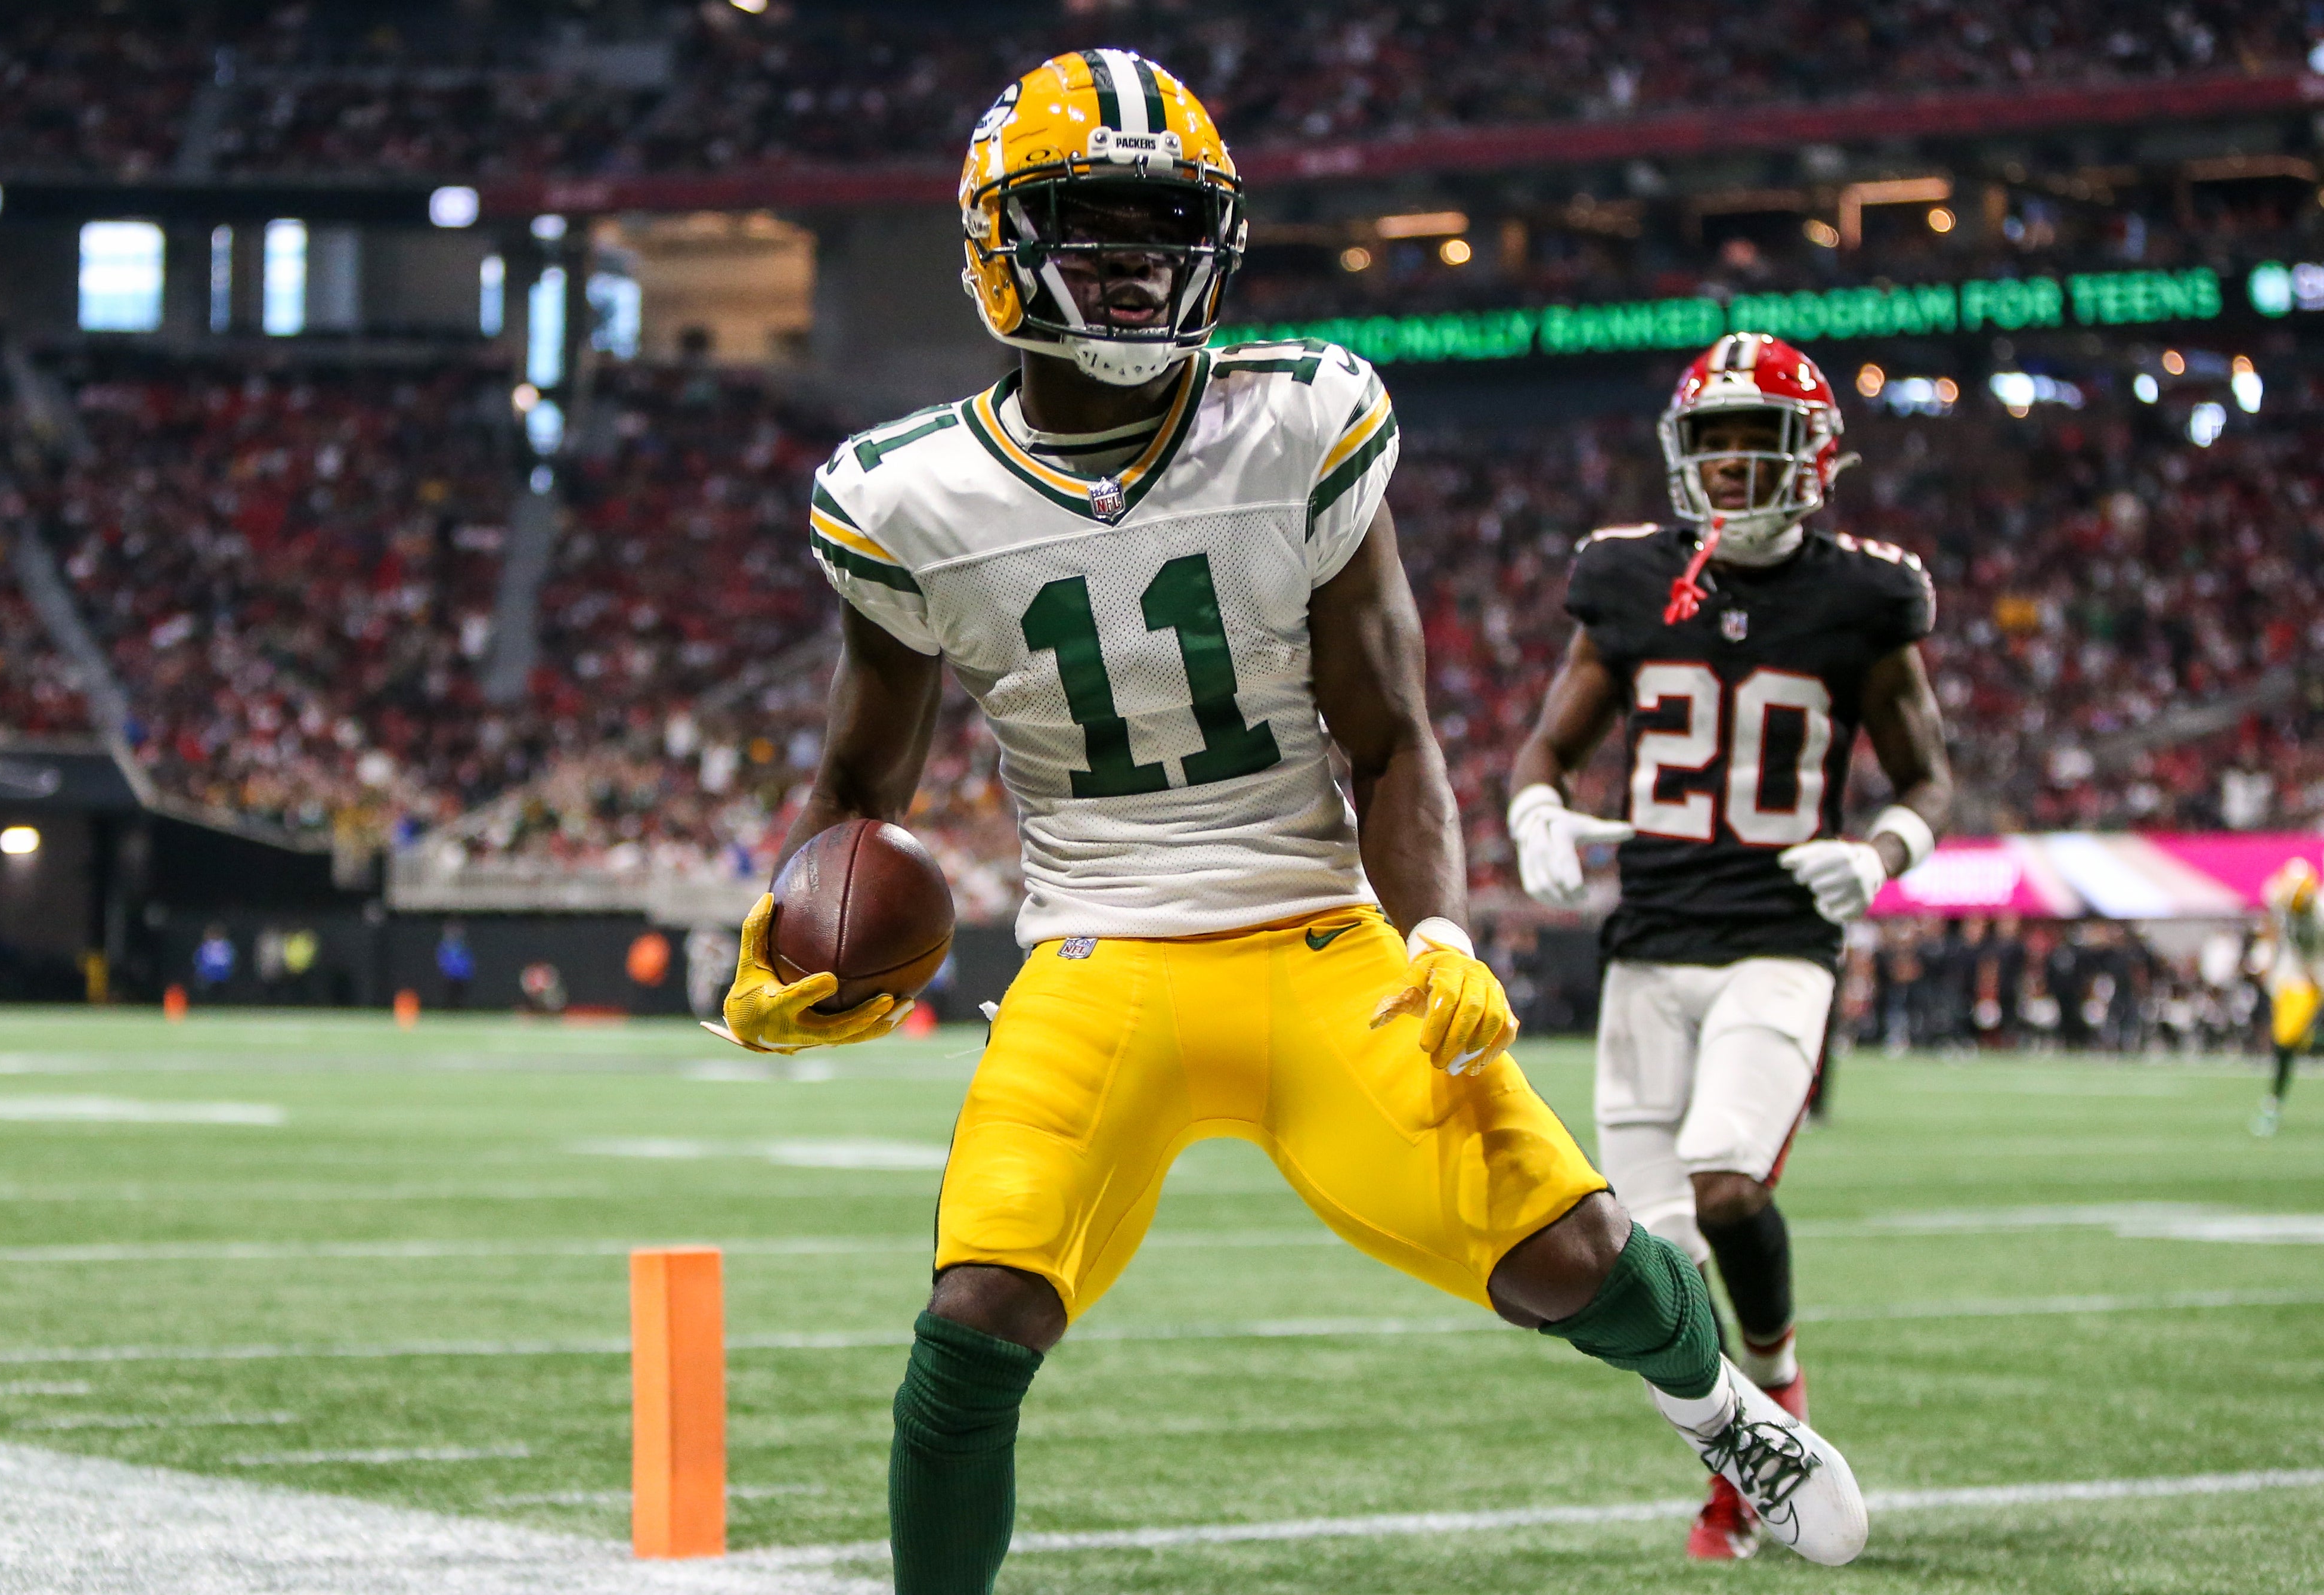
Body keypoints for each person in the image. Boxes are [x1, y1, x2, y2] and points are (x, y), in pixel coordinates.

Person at [705, 55, 1866, 1591]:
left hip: (1314, 933)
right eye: (1093, 221)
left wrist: (1437, 928)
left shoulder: (1296, 419)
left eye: (1165, 224)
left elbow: (1390, 733)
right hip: (1096, 955)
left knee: (1571, 1256)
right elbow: (863, 788)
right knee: (973, 1318)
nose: (1137, 260)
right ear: (998, 241)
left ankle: (1718, 1407)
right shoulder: (903, 496)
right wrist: (788, 935)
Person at [1507, 332, 1948, 1562]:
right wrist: (1534, 809)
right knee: (1655, 1261)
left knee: (1726, 1179)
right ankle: (1743, 1459)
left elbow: (1927, 773)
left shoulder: (1864, 594)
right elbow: (1548, 746)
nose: (1736, 463)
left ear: (1817, 455)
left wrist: (1882, 850)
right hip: (1649, 942)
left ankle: (1780, 1396)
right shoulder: (1625, 577)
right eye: (1716, 439)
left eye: (1762, 438)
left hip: (1778, 936)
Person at [2249, 856, 2320, 1136]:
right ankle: (2273, 1105)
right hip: (2292, 978)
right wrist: (2265, 956)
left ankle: (2272, 1106)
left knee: (2288, 1041)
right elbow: (2271, 924)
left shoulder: (2319, 915)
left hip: (2314, 977)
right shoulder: (2278, 897)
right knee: (2285, 1043)